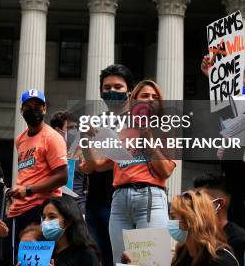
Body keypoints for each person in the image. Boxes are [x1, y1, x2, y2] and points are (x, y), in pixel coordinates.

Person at [83, 79, 176, 263]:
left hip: (150, 199)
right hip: (119, 201)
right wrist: (86, 140)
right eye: (145, 96)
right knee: (121, 261)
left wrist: (148, 137)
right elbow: (97, 166)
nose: (149, 100)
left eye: (154, 97)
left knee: (149, 261)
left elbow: (165, 171)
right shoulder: (121, 132)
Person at [79, 63, 135, 266]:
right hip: (95, 200)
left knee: (123, 259)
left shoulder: (137, 122)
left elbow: (111, 162)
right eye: (107, 87)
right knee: (97, 257)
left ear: (129, 90)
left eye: (117, 87)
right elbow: (86, 166)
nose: (112, 91)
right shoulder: (96, 121)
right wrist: (85, 138)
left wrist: (98, 160)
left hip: (124, 200)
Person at [6, 89, 68, 263]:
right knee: (16, 261)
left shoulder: (52, 138)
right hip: (18, 210)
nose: (33, 110)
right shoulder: (20, 139)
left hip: (41, 209)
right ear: (21, 111)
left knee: (37, 262)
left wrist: (28, 189)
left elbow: (62, 176)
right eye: (28, 106)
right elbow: (27, 172)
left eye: (37, 106)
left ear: (45, 109)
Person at [169, 190, 238, 266]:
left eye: (173, 217)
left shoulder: (222, 261)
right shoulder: (181, 255)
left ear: (190, 220)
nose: (169, 222)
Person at [193, 173, 245, 264]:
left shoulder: (238, 241)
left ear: (219, 203)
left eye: (200, 198)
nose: (194, 203)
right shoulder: (198, 236)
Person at [41, 196, 100, 266]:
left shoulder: (85, 254)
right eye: (44, 217)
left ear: (67, 222)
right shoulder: (42, 252)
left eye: (52, 217)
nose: (45, 221)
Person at [50, 111, 87, 215]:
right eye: (70, 128)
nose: (74, 131)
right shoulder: (47, 155)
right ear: (58, 131)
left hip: (79, 211)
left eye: (76, 127)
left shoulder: (83, 153)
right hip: (55, 210)